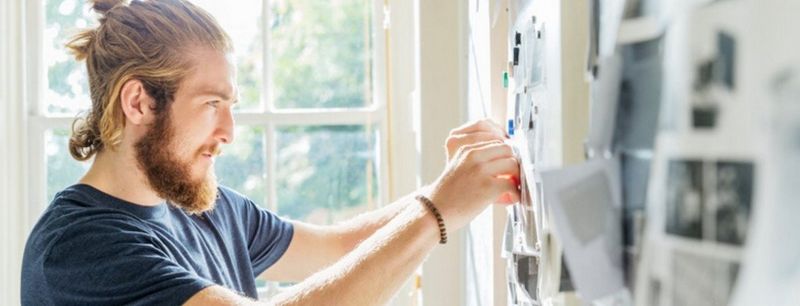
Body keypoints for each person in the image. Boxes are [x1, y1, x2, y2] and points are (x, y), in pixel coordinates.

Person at [20, 0, 520, 305]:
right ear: (139, 102)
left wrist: (451, 188)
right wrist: (438, 210)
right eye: (212, 104)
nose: (229, 130)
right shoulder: (76, 249)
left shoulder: (202, 206)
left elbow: (336, 251)